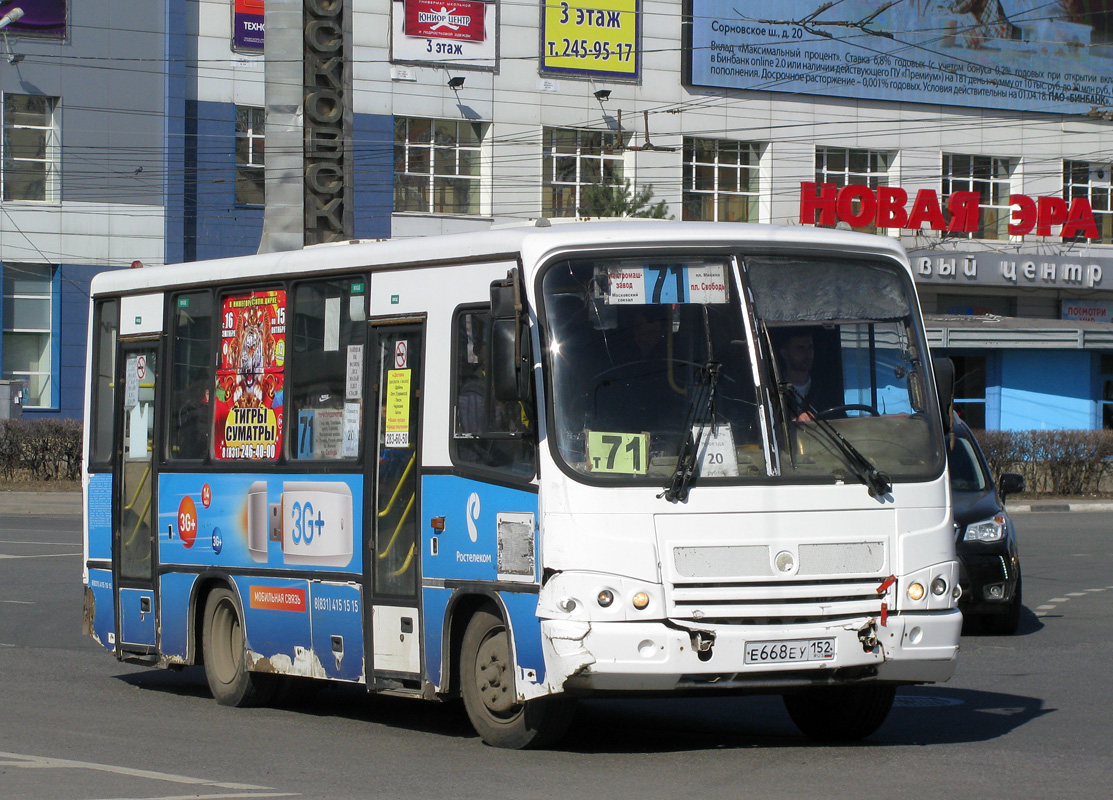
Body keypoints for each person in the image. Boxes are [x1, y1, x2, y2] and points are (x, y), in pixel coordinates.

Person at [777, 329, 840, 419]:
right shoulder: (774, 391)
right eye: (800, 348)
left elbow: (840, 421)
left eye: (810, 347)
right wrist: (793, 424)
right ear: (785, 353)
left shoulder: (825, 390)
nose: (807, 353)